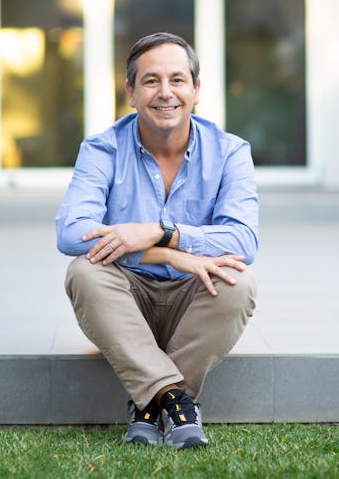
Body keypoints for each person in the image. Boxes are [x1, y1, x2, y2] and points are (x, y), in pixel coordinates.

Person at [56, 32, 258, 449]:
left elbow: (243, 240)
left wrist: (159, 231)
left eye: (177, 80)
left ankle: (149, 405)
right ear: (130, 92)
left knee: (239, 282)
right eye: (151, 81)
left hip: (193, 305)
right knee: (85, 273)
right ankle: (176, 401)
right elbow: (71, 233)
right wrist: (171, 255)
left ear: (196, 90)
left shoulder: (230, 152)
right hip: (127, 306)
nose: (165, 93)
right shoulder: (102, 149)